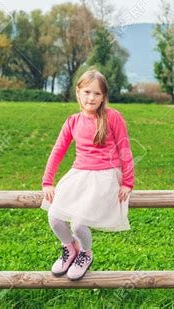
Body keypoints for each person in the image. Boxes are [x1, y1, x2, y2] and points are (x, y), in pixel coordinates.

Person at [41, 69, 135, 281]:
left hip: (105, 176)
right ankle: (69, 248)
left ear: (104, 97)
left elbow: (125, 149)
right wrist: (47, 182)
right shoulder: (72, 121)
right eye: (87, 92)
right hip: (79, 175)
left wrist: (128, 182)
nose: (91, 98)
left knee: (78, 223)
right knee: (54, 217)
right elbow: (57, 151)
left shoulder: (113, 117)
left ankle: (85, 253)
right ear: (78, 93)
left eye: (97, 94)